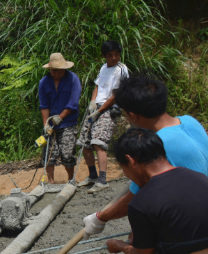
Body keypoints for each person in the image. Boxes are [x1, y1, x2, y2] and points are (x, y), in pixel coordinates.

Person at [83, 76, 208, 239]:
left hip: (195, 220)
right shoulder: (189, 121)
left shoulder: (156, 145)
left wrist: (99, 218)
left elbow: (135, 199)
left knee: (137, 238)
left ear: (132, 115)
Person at [106, 128, 208, 254]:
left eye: (123, 167)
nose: (126, 174)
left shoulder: (140, 203)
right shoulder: (202, 179)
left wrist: (119, 246)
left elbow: (143, 253)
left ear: (131, 161)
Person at [76, 41, 129, 193]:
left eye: (116, 54)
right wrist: (93, 102)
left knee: (98, 142)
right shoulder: (103, 68)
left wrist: (100, 111)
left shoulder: (122, 69)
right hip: (96, 107)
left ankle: (102, 179)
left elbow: (116, 95)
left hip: (109, 109)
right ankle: (92, 175)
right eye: (110, 55)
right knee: (85, 142)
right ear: (104, 56)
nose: (114, 58)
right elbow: (97, 87)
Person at [39, 53, 81, 183]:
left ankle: (70, 180)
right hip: (51, 124)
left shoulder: (73, 79)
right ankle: (50, 181)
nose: (56, 73)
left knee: (67, 154)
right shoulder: (44, 82)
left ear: (64, 68)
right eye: (54, 71)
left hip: (68, 122)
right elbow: (44, 105)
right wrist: (46, 125)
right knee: (48, 155)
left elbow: (73, 102)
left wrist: (60, 117)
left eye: (59, 71)